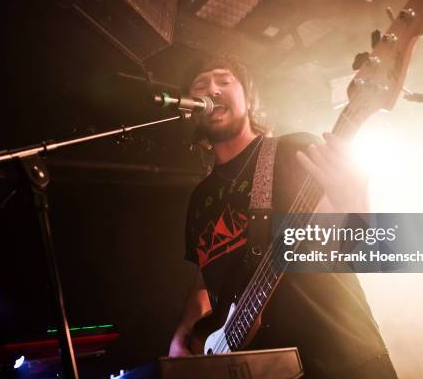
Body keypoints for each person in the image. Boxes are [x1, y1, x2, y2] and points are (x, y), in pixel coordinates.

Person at [168, 56, 398, 378]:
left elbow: (359, 250)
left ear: (248, 99)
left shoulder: (295, 150)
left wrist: (355, 199)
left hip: (338, 358)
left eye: (224, 81)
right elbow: (204, 281)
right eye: (201, 86)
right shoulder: (200, 199)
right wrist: (184, 333)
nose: (213, 90)